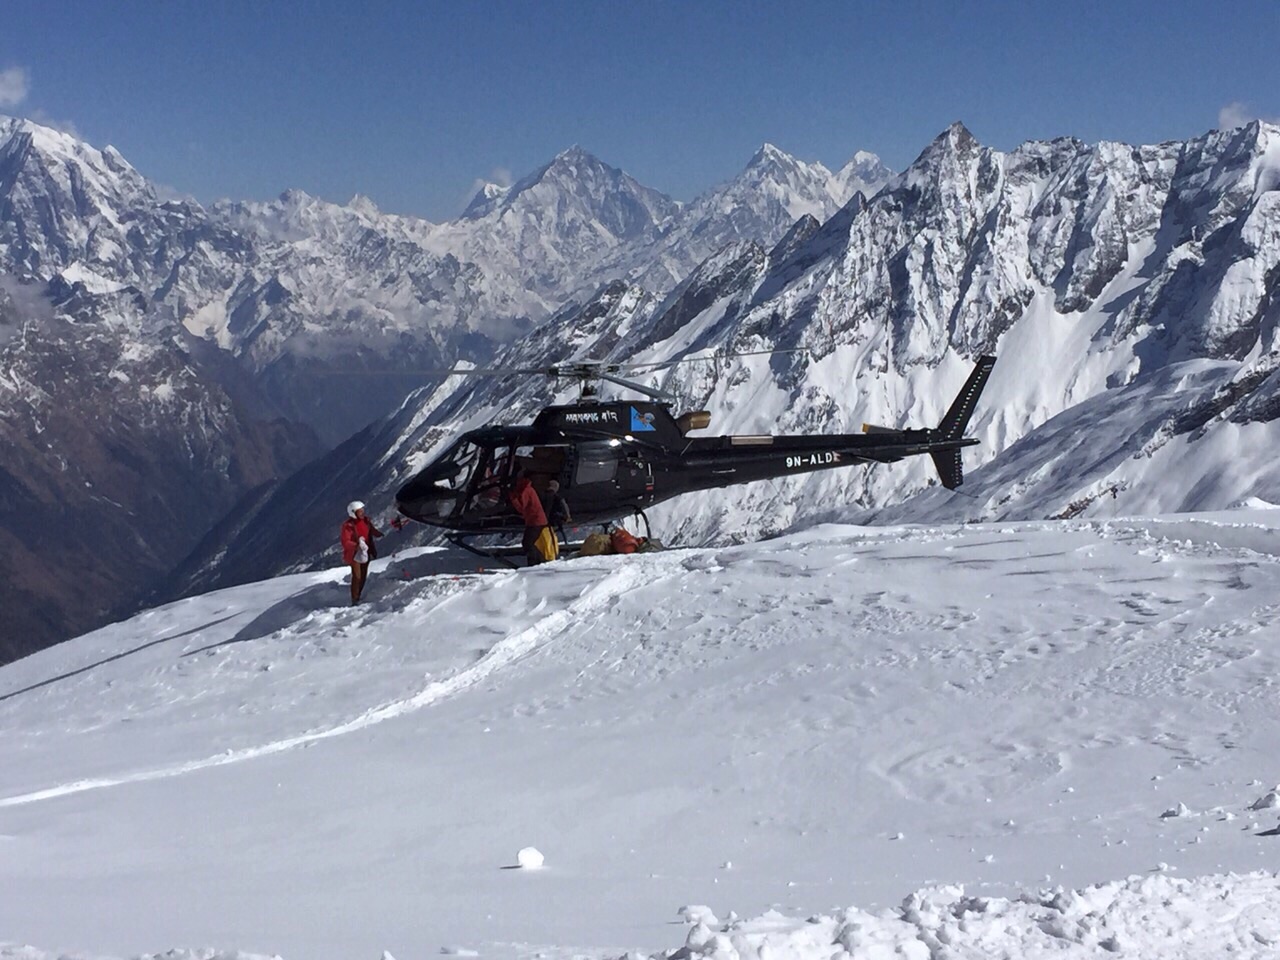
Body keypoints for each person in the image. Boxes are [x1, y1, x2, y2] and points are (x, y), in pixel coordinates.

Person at [506, 471, 557, 566]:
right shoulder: (527, 488)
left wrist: (513, 498)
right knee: (529, 542)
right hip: (535, 520)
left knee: (527, 543)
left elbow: (522, 507)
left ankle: (536, 561)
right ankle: (537, 560)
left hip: (536, 521)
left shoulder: (525, 490)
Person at [340, 500, 384, 605]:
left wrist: (380, 534)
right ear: (353, 513)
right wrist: (356, 546)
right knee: (357, 576)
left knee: (363, 575)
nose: (362, 513)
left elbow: (371, 531)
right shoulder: (348, 526)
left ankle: (358, 595)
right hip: (355, 554)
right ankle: (354, 599)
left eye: (362, 510)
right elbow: (345, 542)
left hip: (365, 552)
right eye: (360, 511)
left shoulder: (366, 521)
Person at [541, 478, 572, 545]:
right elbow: (564, 507)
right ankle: (564, 544)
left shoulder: (542, 496)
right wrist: (567, 517)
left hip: (542, 520)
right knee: (559, 531)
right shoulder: (558, 497)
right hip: (554, 519)